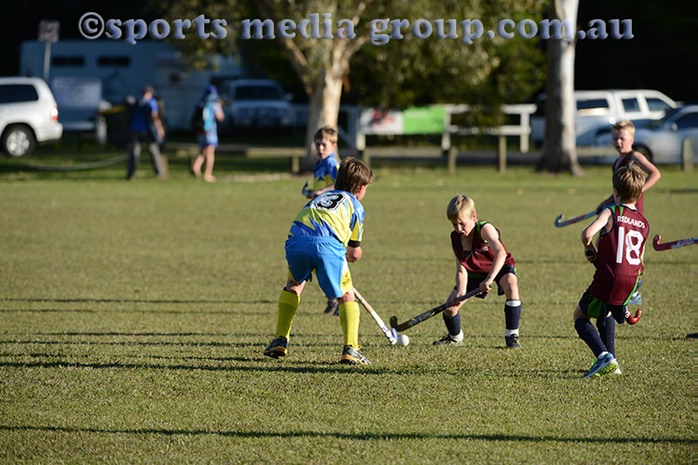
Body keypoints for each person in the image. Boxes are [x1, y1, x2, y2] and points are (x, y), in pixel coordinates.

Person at [264, 157, 375, 365]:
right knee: (346, 296)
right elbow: (354, 252)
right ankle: (351, 348)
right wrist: (347, 256)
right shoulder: (355, 206)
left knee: (294, 284)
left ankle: (280, 339)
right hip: (328, 246)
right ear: (361, 189)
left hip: (296, 240)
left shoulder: (321, 197)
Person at [575, 163, 649, 378]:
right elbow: (640, 259)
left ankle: (604, 356)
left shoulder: (611, 211)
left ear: (615, 192)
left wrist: (589, 248)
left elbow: (586, 233)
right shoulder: (644, 223)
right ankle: (613, 364)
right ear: (639, 194)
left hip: (609, 277)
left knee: (580, 316)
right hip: (632, 279)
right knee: (605, 313)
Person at [434, 194, 522, 349]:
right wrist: (461, 290)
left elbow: (500, 253)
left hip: (499, 265)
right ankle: (455, 338)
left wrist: (489, 279)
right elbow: (461, 268)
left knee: (511, 284)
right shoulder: (455, 238)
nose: (458, 229)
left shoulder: (484, 229)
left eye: (462, 223)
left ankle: (512, 335)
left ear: (473, 216)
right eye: (454, 224)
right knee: (450, 309)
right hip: (474, 270)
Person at [595, 120, 660, 305]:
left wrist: (638, 190)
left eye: (622, 138)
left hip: (633, 213)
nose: (618, 142)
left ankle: (634, 288)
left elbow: (655, 173)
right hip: (620, 210)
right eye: (615, 138)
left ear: (631, 138)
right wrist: (606, 202)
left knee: (631, 251)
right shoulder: (617, 162)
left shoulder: (635, 156)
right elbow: (620, 188)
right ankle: (624, 286)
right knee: (612, 246)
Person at [304, 126, 341, 316]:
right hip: (318, 219)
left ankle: (339, 298)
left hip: (330, 220)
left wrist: (320, 192)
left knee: (328, 261)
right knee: (318, 261)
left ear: (333, 146)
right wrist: (311, 192)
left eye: (323, 145)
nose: (319, 148)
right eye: (317, 144)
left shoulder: (332, 164)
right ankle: (333, 297)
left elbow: (340, 185)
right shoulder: (319, 164)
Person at [126, 86, 166, 180]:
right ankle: (158, 173)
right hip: (143, 131)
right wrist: (159, 128)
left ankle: (131, 174)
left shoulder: (138, 101)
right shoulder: (149, 102)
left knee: (141, 152)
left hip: (140, 130)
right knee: (149, 152)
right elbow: (154, 116)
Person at [191, 85, 225, 183]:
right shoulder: (213, 103)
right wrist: (219, 106)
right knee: (210, 153)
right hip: (210, 131)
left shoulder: (200, 102)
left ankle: (196, 166)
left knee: (203, 150)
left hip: (200, 130)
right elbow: (220, 117)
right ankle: (208, 174)